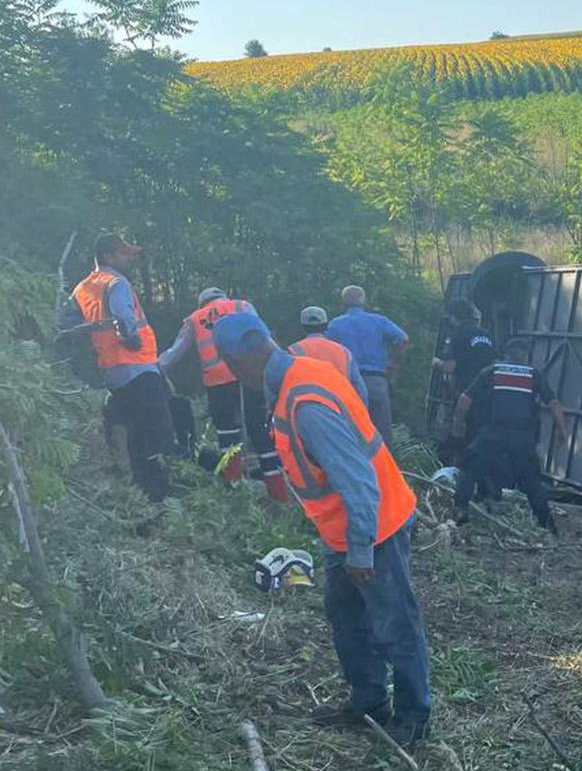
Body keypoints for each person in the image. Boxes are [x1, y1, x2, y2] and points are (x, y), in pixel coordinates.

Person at [212, 311, 431, 746]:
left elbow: (358, 482)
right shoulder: (298, 373)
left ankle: (413, 717)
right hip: (346, 529)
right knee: (346, 616)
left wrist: (361, 550)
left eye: (232, 365)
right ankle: (368, 702)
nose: (234, 375)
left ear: (247, 357)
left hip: (373, 527)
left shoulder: (306, 402)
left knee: (393, 623)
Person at [60, 233, 176, 501]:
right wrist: (130, 337)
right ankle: (165, 496)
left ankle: (144, 496)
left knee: (136, 435)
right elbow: (124, 316)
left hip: (114, 374)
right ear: (108, 256)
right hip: (139, 367)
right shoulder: (117, 282)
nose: (128, 258)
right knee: (158, 434)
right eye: (123, 253)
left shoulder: (82, 289)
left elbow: (64, 326)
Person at [158, 287, 286, 500]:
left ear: (202, 303)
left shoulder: (194, 318)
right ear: (223, 297)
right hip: (249, 374)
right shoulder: (242, 306)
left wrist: (153, 369)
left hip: (217, 383)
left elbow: (175, 353)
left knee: (228, 436)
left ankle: (234, 487)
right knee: (260, 430)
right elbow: (261, 336)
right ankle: (278, 489)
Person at [450, 338, 567, 535]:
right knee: (531, 481)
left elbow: (465, 398)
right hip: (523, 437)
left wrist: (458, 423)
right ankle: (547, 525)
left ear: (505, 353)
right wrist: (562, 430)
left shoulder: (492, 371)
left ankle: (460, 510)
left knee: (468, 467)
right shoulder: (533, 374)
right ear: (525, 355)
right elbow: (554, 404)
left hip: (492, 433)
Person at [326, 285, 408, 443]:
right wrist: (392, 363)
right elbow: (403, 339)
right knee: (382, 434)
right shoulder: (379, 321)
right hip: (376, 381)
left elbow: (328, 349)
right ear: (364, 301)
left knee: (352, 433)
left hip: (348, 384)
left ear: (343, 302)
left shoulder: (335, 325)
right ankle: (383, 466)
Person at [433, 297, 495, 468]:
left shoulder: (458, 335)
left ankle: (451, 468)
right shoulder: (487, 335)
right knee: (478, 434)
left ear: (454, 316)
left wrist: (436, 362)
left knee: (457, 430)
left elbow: (449, 367)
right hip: (488, 394)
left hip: (465, 393)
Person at [289, 305, 367, 398]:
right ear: (326, 326)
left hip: (308, 405)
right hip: (341, 404)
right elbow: (358, 386)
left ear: (303, 327)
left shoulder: (293, 351)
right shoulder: (343, 351)